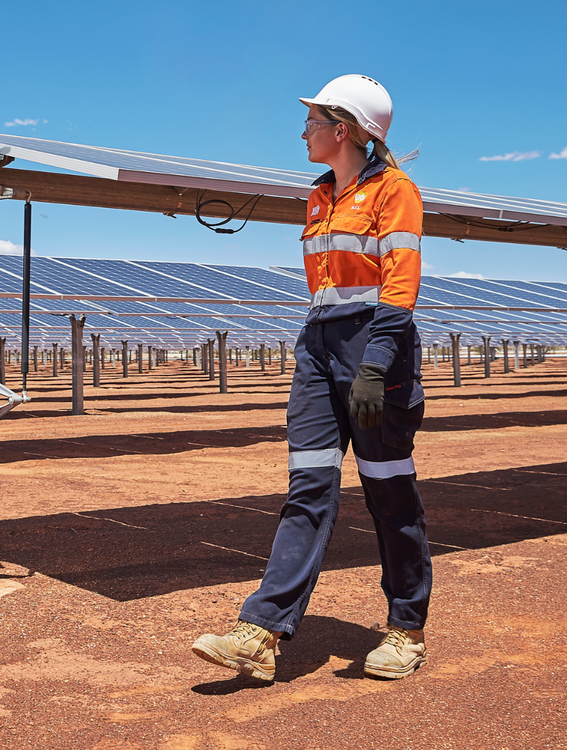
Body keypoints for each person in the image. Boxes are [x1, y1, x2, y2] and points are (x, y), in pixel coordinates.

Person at [192, 74, 432, 682]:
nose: (304, 131)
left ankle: (405, 630)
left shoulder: (395, 192)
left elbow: (398, 286)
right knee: (308, 487)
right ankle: (261, 632)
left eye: (313, 122)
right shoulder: (319, 196)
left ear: (344, 129)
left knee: (388, 492)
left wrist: (375, 366)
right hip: (319, 346)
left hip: (374, 350)